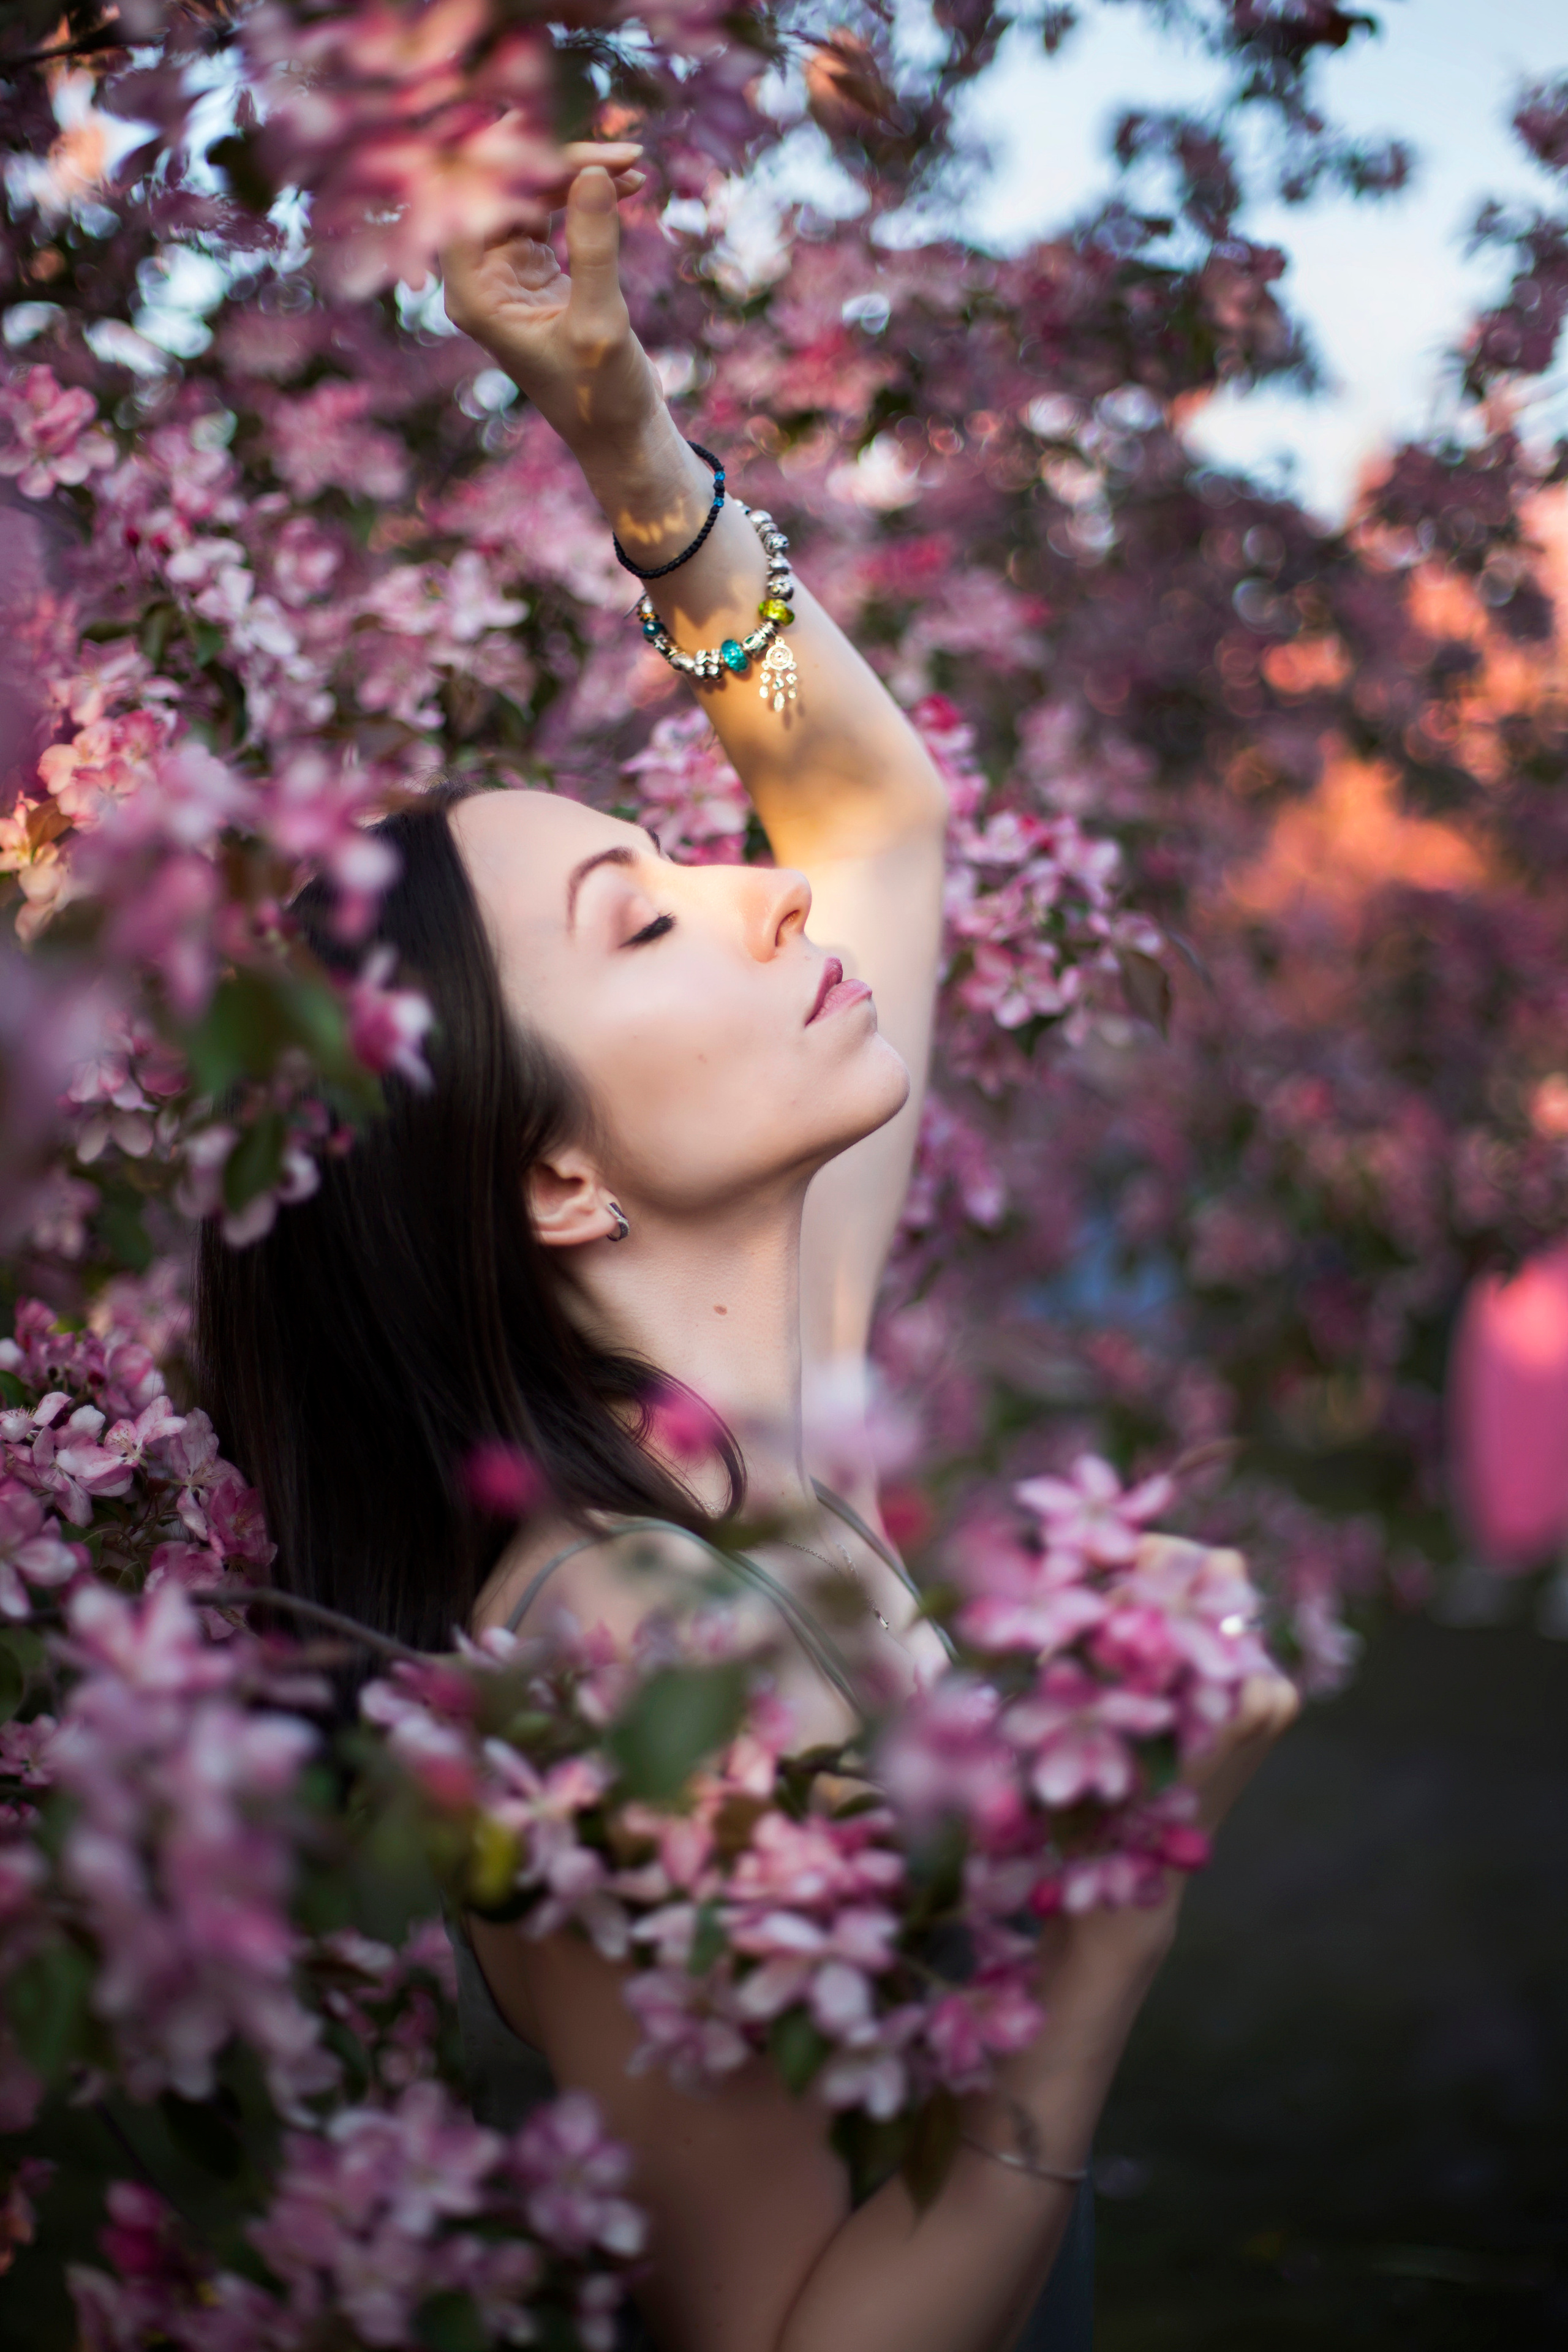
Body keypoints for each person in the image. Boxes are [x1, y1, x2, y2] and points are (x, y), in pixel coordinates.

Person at [198, 146, 1298, 2352]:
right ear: (554, 1180)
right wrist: (1102, 1951)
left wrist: (627, 436)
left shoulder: (752, 1419)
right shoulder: (611, 1670)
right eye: (644, 913)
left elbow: (871, 813)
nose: (758, 887)